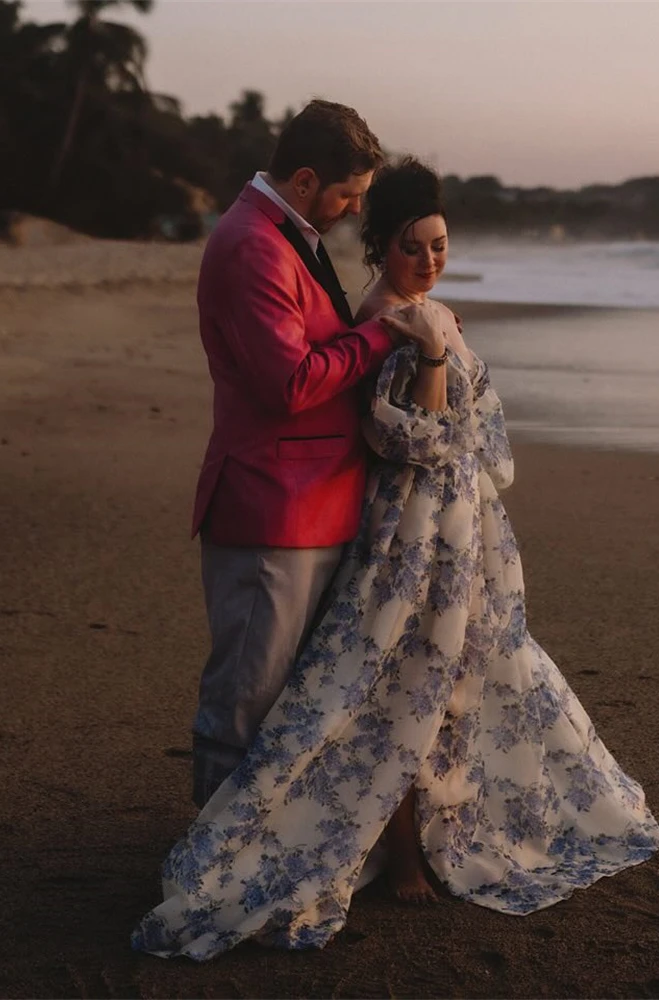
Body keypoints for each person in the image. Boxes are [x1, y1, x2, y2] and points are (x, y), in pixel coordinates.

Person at [134, 159, 659, 962]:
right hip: (408, 534)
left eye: (440, 245)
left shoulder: (428, 312)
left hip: (463, 526)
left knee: (459, 676)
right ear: (381, 248)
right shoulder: (387, 319)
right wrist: (435, 365)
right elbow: (404, 439)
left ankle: (441, 830)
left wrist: (457, 407)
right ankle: (392, 851)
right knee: (399, 681)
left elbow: (481, 437)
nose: (430, 261)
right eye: (413, 247)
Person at [188, 101, 443, 808]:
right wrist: (388, 334)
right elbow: (289, 383)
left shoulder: (288, 233)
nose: (354, 210)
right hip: (271, 508)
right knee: (242, 705)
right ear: (305, 179)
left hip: (312, 502)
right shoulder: (251, 245)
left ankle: (248, 858)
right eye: (348, 195)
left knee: (286, 705)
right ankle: (209, 876)